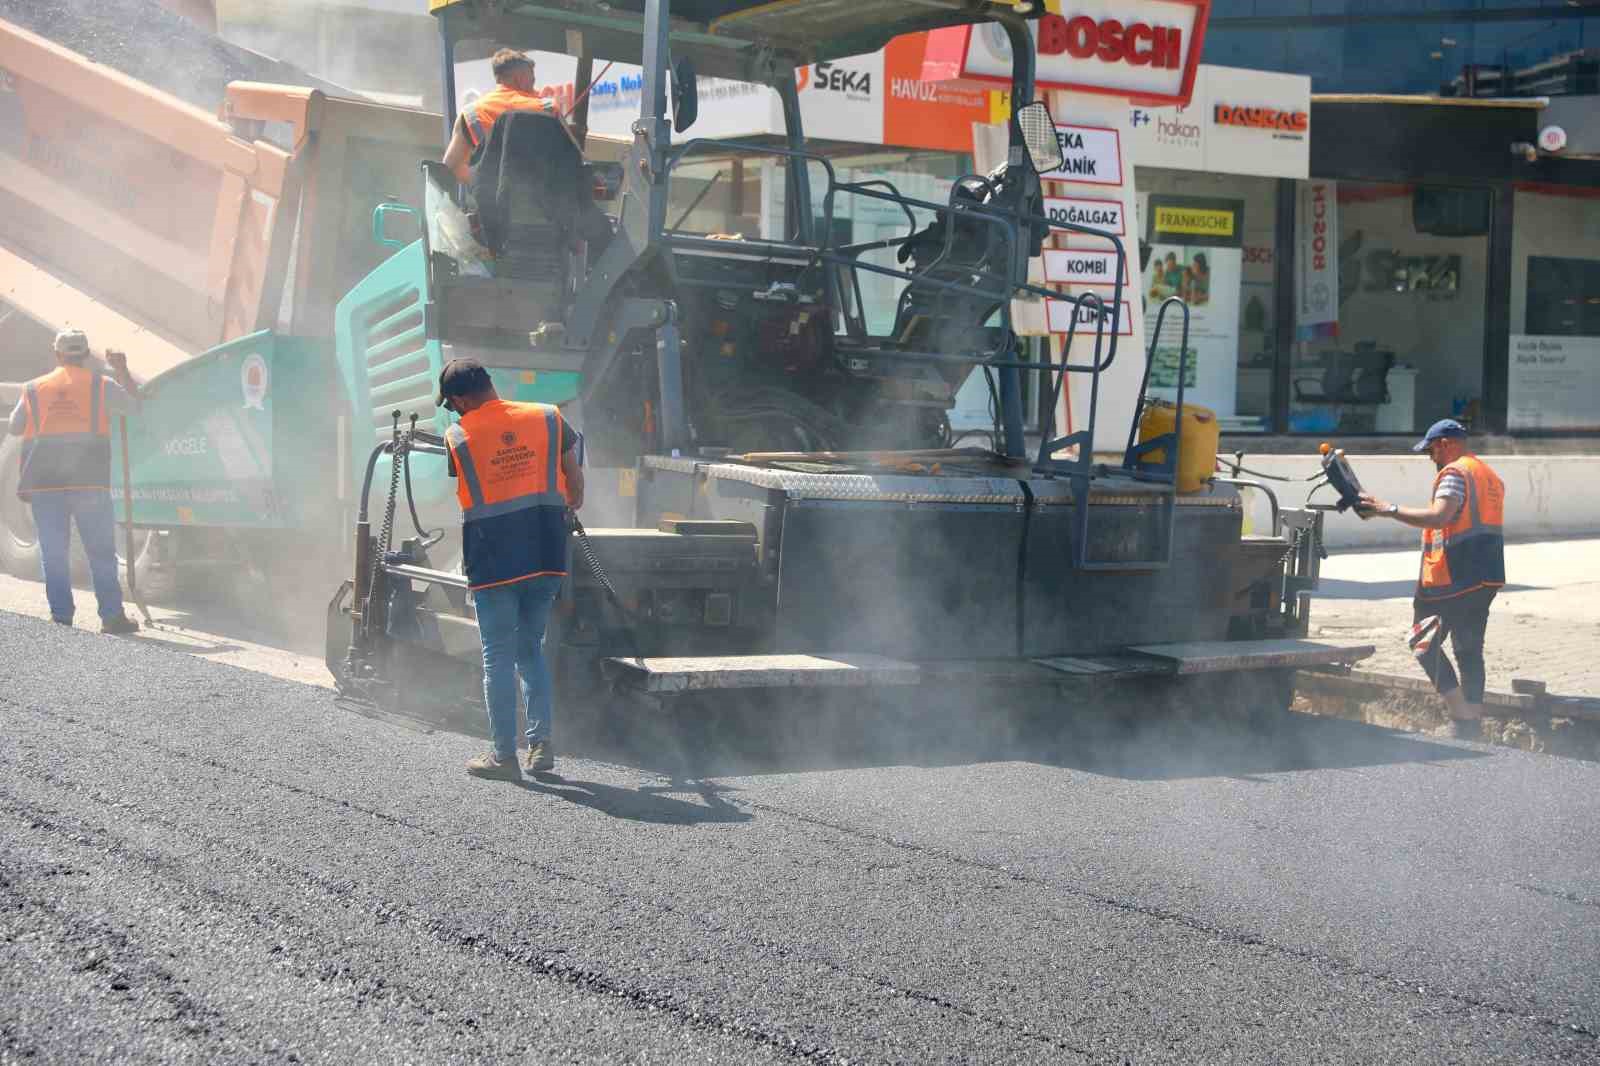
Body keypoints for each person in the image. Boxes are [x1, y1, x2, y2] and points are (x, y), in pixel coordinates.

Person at [437, 358, 583, 780]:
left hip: (495, 561)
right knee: (530, 649)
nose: (454, 412)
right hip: (547, 556)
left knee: (497, 656)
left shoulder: (458, 435)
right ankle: (541, 746)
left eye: (452, 404)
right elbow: (576, 484)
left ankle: (504, 757)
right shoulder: (548, 417)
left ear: (462, 399)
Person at [1358, 418, 1505, 737]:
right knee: (1468, 648)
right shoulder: (1486, 474)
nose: (1430, 458)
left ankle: (1460, 714)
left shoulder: (1453, 473)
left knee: (1421, 640)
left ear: (1444, 444)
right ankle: (1473, 722)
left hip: (1454, 575)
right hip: (1487, 574)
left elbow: (1440, 516)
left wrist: (1387, 508)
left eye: (1430, 451)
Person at [7, 330, 141, 634]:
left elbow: (15, 427)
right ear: (85, 354)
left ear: (57, 354)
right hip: (89, 481)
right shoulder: (101, 385)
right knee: (100, 551)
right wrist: (121, 371)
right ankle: (111, 616)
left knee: (54, 552)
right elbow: (134, 407)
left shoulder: (33, 388)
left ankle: (61, 618)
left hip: (45, 484)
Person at [442, 49, 556, 183]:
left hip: (485, 201)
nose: (534, 88)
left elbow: (452, 165)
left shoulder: (470, 114)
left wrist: (487, 183)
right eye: (532, 81)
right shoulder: (547, 108)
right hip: (536, 200)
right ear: (520, 78)